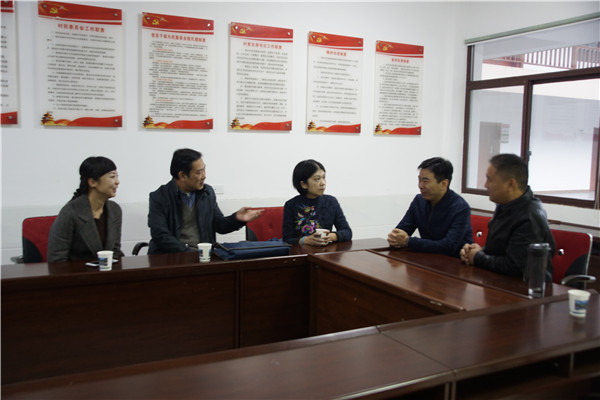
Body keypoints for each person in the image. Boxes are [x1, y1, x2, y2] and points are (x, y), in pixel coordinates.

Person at [148, 148, 263, 254]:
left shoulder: (207, 192)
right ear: (182, 175)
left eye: (204, 170)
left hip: (203, 257)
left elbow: (219, 225)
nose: (204, 176)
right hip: (171, 257)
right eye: (199, 172)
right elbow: (161, 236)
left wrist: (237, 219)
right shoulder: (159, 197)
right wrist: (189, 253)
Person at [460, 153, 555, 278]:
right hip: (495, 281)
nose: (485, 185)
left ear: (510, 184)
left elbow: (515, 267)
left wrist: (478, 257)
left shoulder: (529, 217)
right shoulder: (506, 205)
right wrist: (477, 251)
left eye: (490, 180)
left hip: (522, 287)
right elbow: (500, 251)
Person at [387, 157, 473, 257]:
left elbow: (448, 246)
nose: (420, 185)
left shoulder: (460, 208)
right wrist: (395, 237)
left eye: (425, 181)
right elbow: (401, 230)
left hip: (453, 262)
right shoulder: (419, 201)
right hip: (427, 258)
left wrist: (409, 241)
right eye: (419, 180)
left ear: (444, 184)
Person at [48, 156, 123, 262]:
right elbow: (57, 259)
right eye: (112, 177)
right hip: (76, 271)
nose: (117, 182)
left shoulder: (114, 210)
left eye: (117, 176)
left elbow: (115, 252)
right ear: (92, 182)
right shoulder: (71, 212)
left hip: (106, 271)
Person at [283, 159, 352, 246]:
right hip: (301, 252)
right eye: (317, 179)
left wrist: (331, 236)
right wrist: (305, 240)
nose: (323, 183)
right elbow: (287, 239)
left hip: (326, 251)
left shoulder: (331, 201)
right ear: (304, 184)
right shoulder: (291, 205)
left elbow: (347, 232)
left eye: (324, 177)